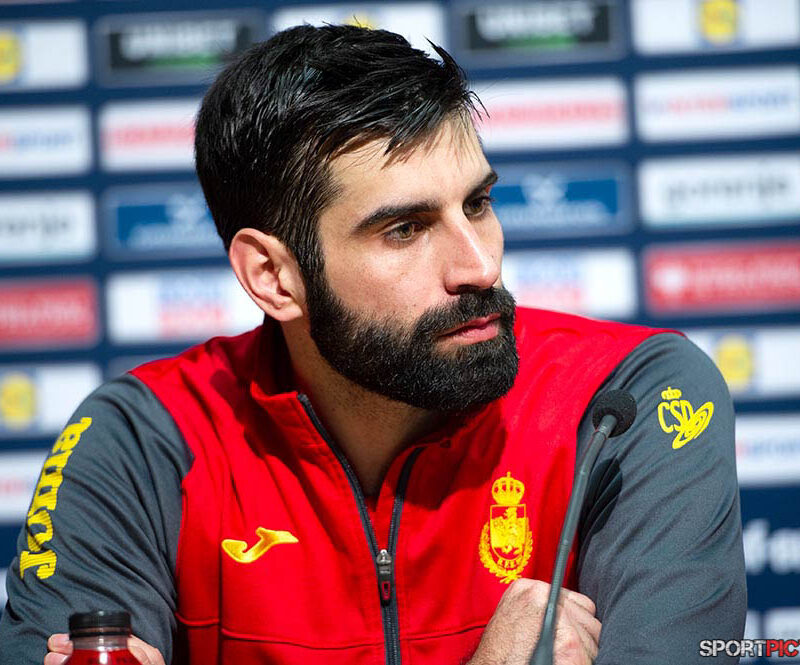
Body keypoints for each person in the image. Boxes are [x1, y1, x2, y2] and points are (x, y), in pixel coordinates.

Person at [0, 24, 745, 665]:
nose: (480, 266)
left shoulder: (628, 398)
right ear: (273, 276)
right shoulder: (145, 440)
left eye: (477, 204)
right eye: (405, 229)